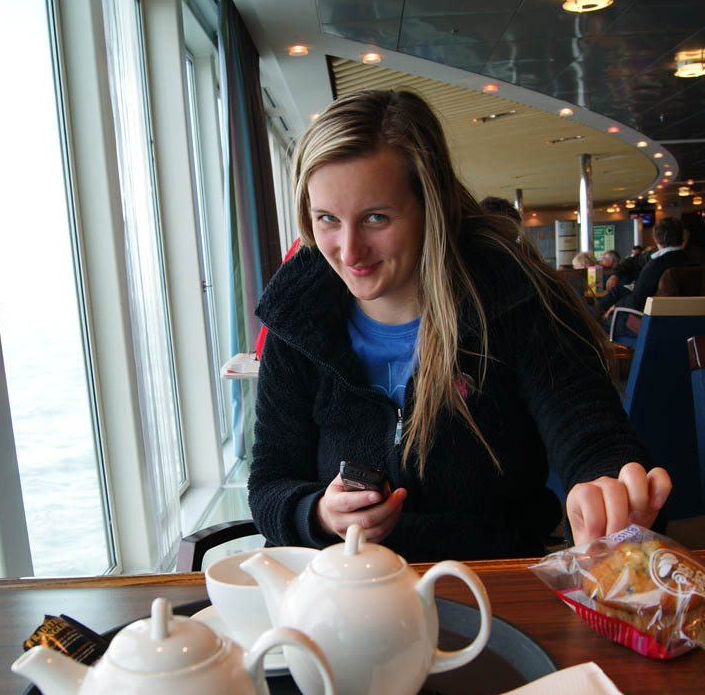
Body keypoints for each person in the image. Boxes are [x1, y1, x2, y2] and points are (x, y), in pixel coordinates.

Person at [248, 90, 671, 562]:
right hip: (340, 588)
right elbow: (270, 482)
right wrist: (320, 514)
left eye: (376, 218)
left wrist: (610, 490)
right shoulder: (297, 318)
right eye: (327, 219)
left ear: (431, 208)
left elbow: (591, 438)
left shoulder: (516, 298)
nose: (348, 252)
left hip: (486, 581)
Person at [603, 217, 693, 319]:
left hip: (650, 320)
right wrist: (616, 274)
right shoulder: (693, 260)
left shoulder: (656, 265)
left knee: (602, 320)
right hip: (689, 318)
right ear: (682, 237)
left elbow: (637, 300)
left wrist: (616, 307)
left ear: (655, 238)